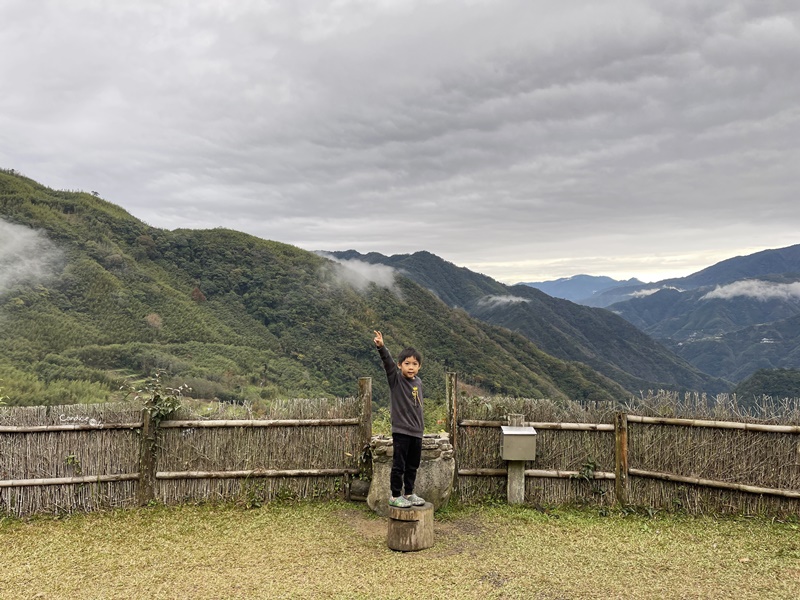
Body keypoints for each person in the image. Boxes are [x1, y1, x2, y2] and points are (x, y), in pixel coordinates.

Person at [373, 330, 426, 508]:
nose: (411, 367)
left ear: (419, 367)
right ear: (399, 365)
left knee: (413, 466)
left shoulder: (418, 382)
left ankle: (409, 493)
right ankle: (395, 495)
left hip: (417, 432)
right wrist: (381, 347)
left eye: (414, 364)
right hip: (402, 431)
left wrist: (420, 428)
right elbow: (387, 363)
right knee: (399, 465)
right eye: (407, 363)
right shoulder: (396, 380)